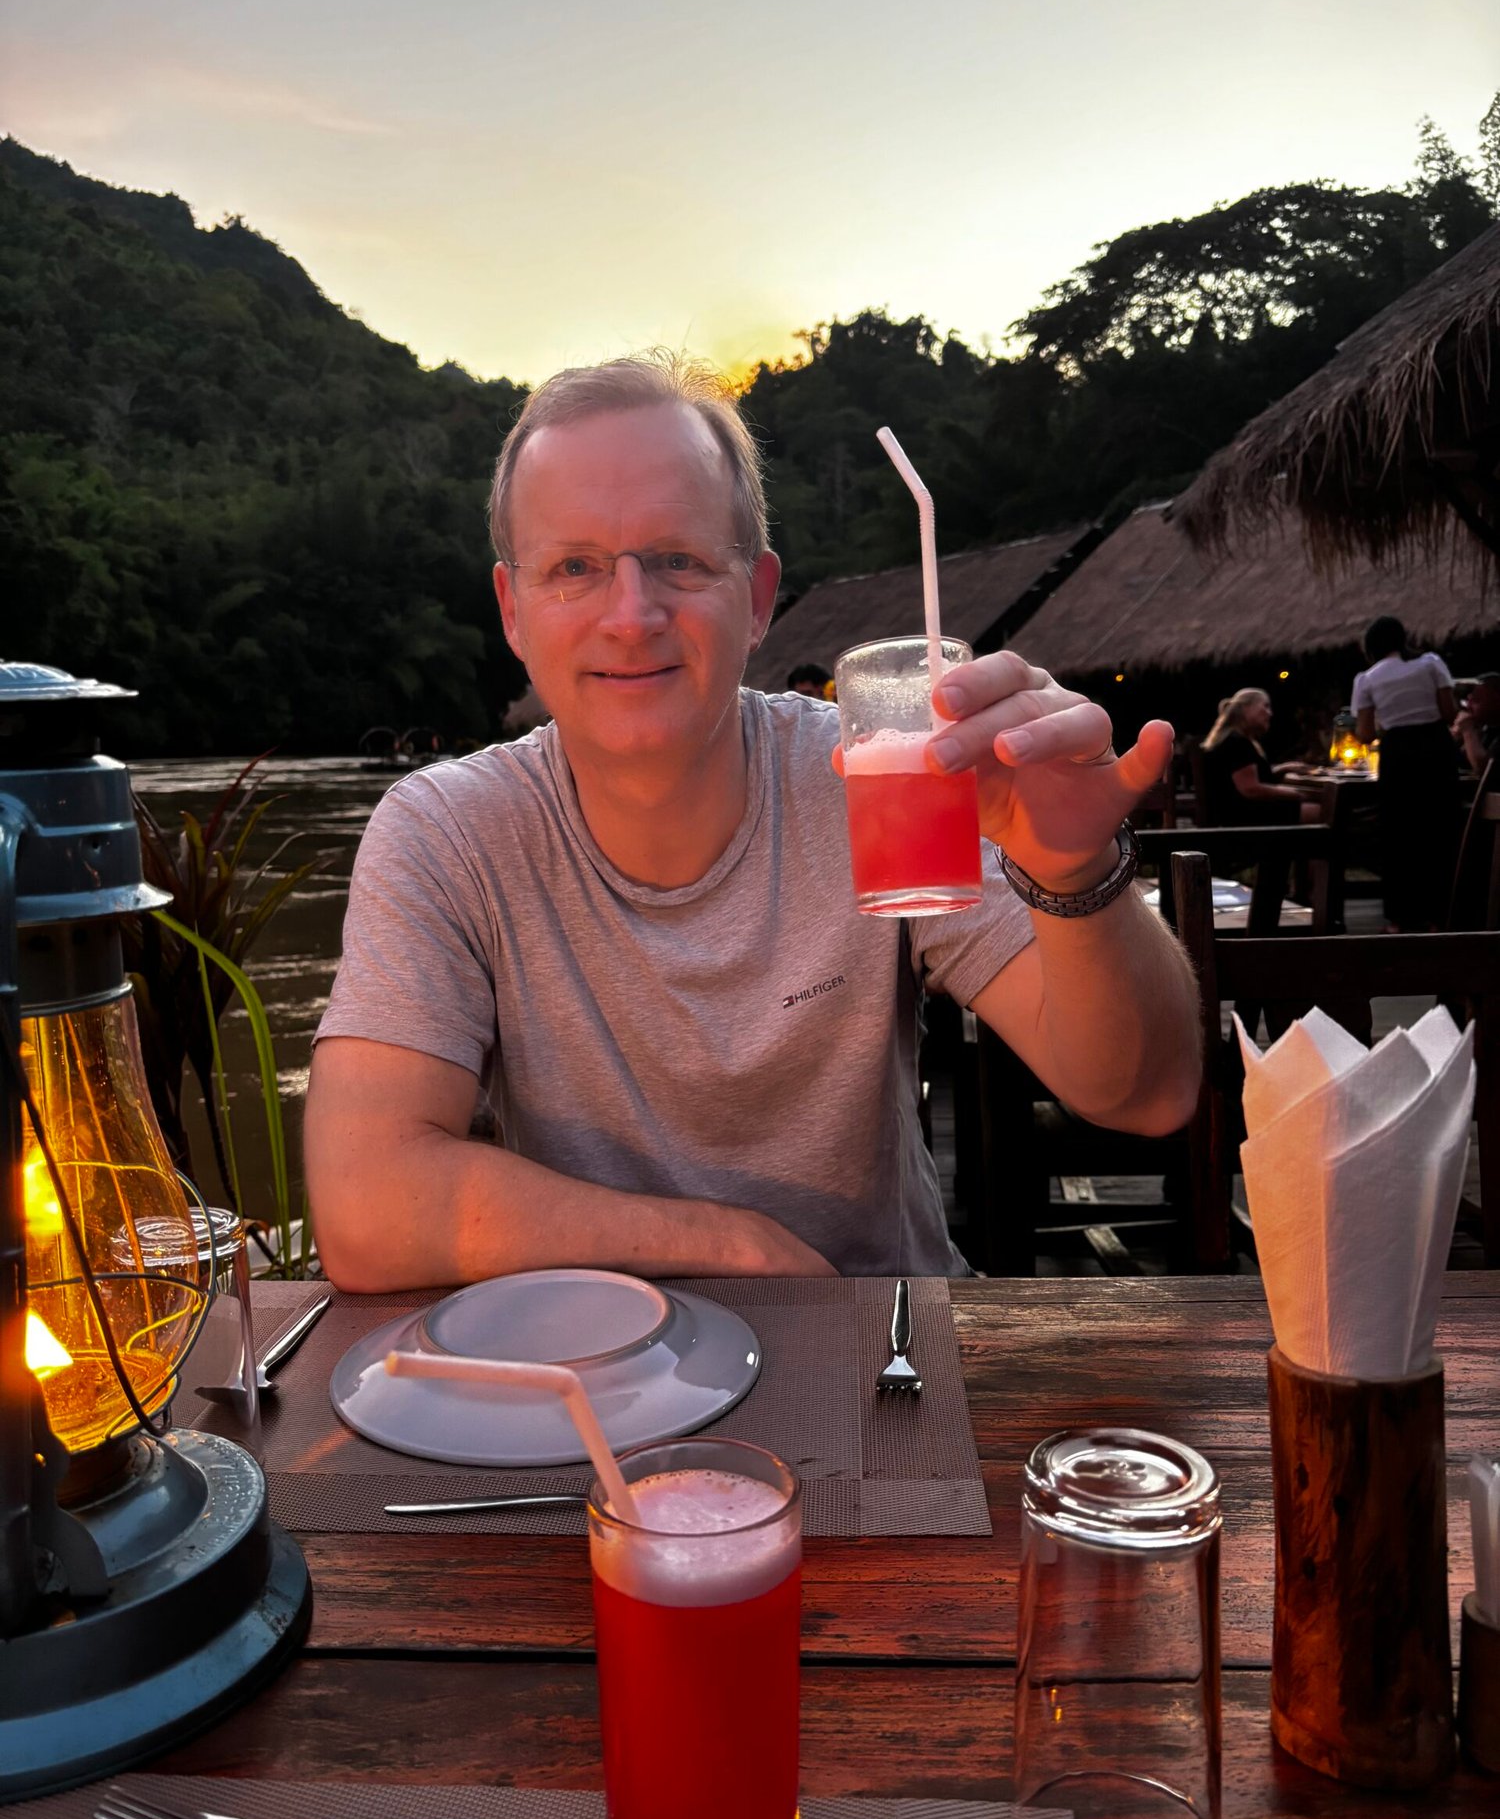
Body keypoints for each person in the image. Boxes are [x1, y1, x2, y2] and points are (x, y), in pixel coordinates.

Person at [305, 355, 1201, 1291]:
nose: (632, 613)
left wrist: (1072, 874)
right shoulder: (449, 831)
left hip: (881, 1354)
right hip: (595, 1381)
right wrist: (731, 1247)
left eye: (679, 561)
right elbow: (366, 1203)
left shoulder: (875, 774)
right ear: (514, 612)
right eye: (575, 568)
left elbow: (1146, 1095)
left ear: (760, 596)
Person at [1351, 615, 1460, 930]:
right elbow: (1449, 711)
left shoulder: (1367, 679)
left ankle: (1400, 917)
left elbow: (1366, 733)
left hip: (1398, 754)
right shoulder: (1430, 663)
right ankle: (1442, 912)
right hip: (1436, 749)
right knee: (1440, 828)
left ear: (1371, 647)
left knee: (1400, 833)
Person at [1199, 689, 1320, 827]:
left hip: (1236, 812)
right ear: (1245, 708)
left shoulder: (1233, 739)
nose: (1270, 713)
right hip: (1243, 817)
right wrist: (1297, 794)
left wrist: (1282, 769)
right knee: (1322, 810)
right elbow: (1251, 788)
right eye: (1265, 706)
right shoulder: (1237, 742)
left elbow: (1244, 777)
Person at [1453, 673, 1500, 776]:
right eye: (1468, 700)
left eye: (1476, 699)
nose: (1468, 705)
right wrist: (1456, 738)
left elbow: (1486, 771)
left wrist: (1468, 731)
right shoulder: (1484, 729)